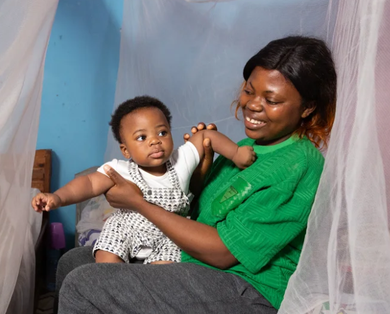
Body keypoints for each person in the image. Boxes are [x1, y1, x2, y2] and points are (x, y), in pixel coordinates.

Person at [51, 36, 336, 314]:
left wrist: (139, 203)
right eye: (249, 91)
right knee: (73, 262)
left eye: (271, 100)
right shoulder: (248, 148)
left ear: (308, 107)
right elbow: (200, 213)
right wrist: (201, 172)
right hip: (197, 266)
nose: (252, 106)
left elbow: (223, 252)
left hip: (250, 299)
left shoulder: (298, 165)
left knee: (85, 286)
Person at [32, 95, 255, 264]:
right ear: (125, 150)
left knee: (164, 273)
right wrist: (57, 197)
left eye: (162, 133)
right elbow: (89, 183)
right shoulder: (120, 170)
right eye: (142, 137)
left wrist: (236, 153)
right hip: (128, 229)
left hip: (169, 234)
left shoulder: (181, 160)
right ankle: (110, 287)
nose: (155, 141)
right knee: (106, 257)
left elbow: (205, 135)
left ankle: (143, 293)